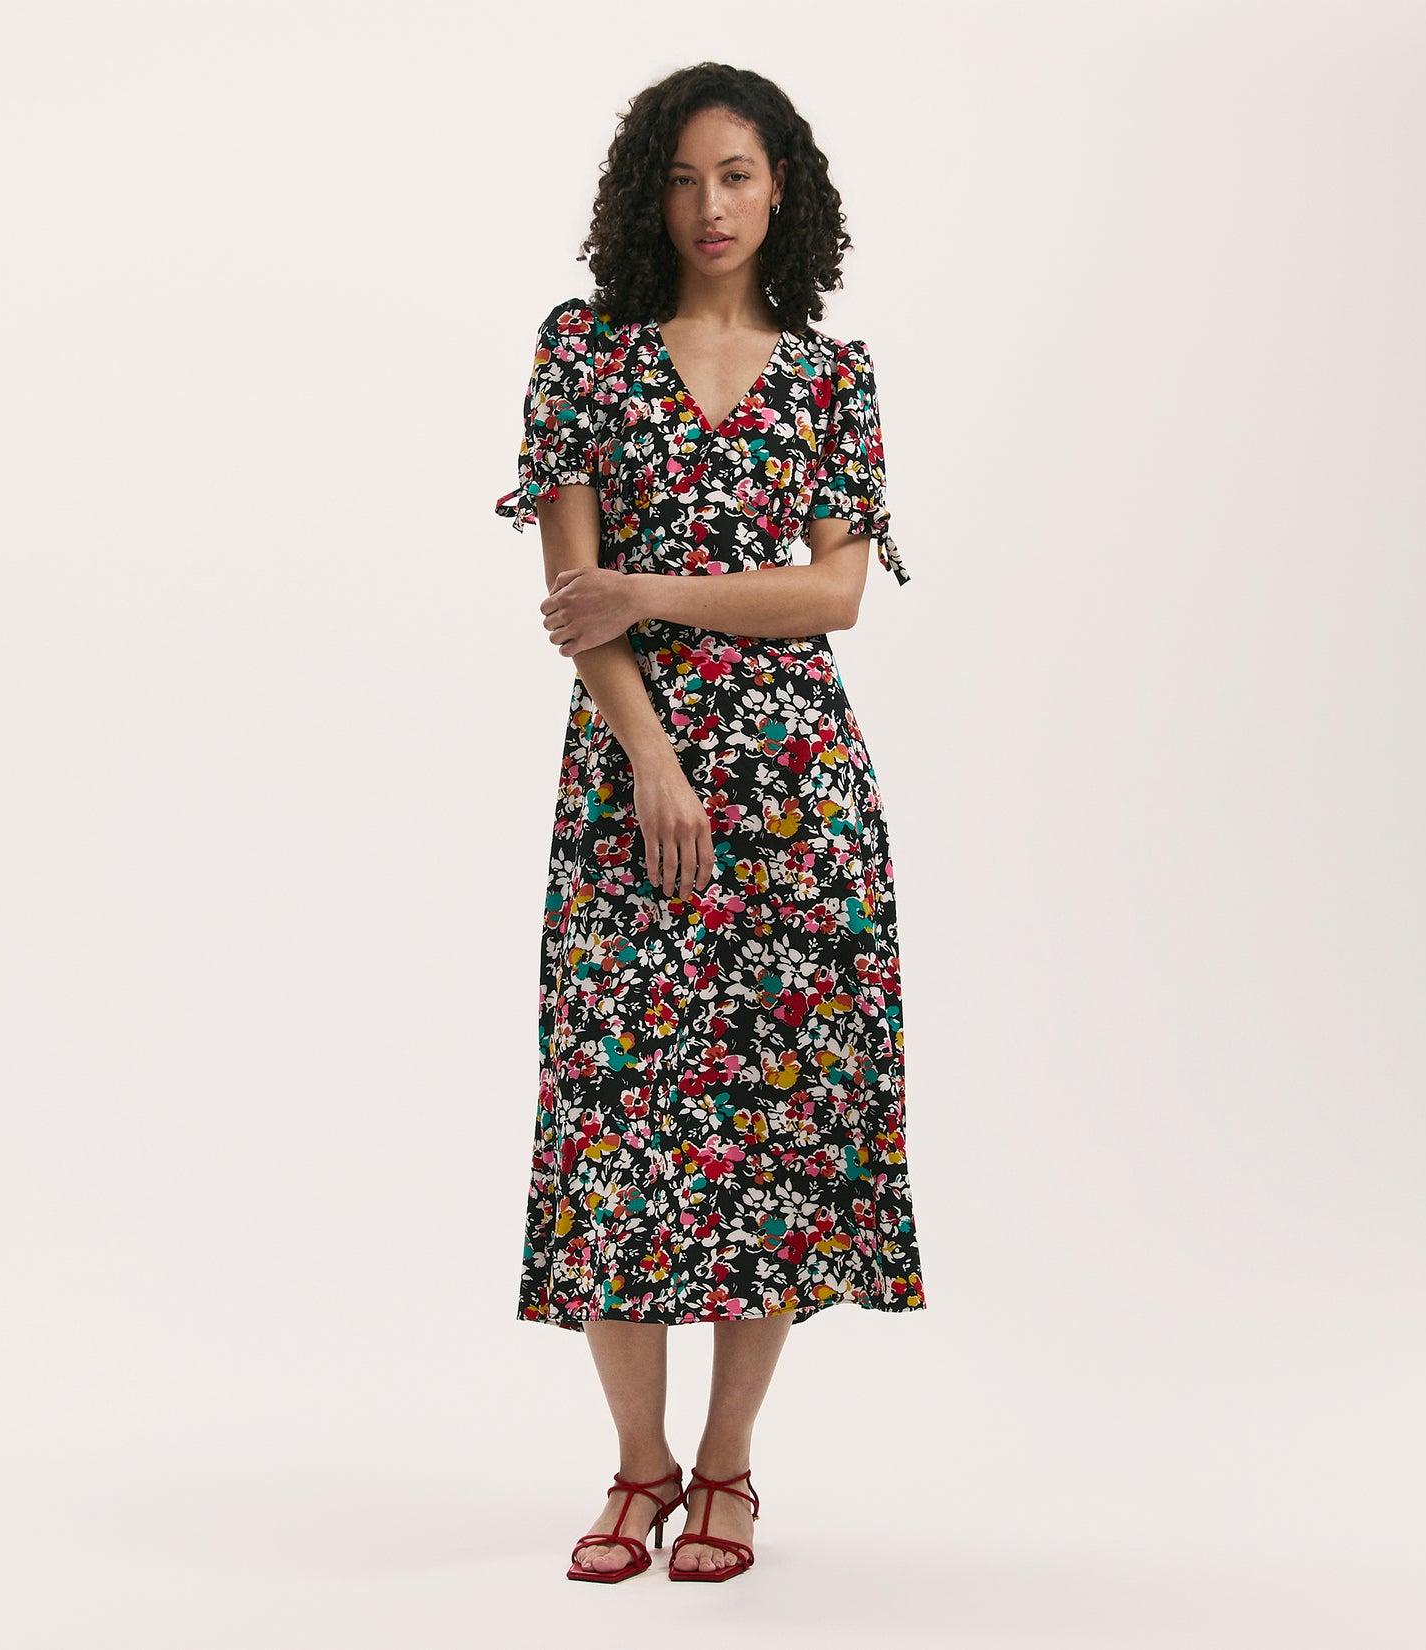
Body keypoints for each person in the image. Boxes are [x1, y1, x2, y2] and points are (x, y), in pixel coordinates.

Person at [495, 62, 927, 1585]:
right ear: (647, 195)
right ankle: (637, 1468)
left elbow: (834, 594)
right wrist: (657, 763)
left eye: (737, 175)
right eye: (685, 179)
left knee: (775, 1133)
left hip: (802, 799)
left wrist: (660, 590)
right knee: (615, 1128)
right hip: (633, 789)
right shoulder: (586, 358)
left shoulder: (829, 376)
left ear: (783, 187)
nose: (712, 206)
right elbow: (572, 602)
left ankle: (731, 1469)